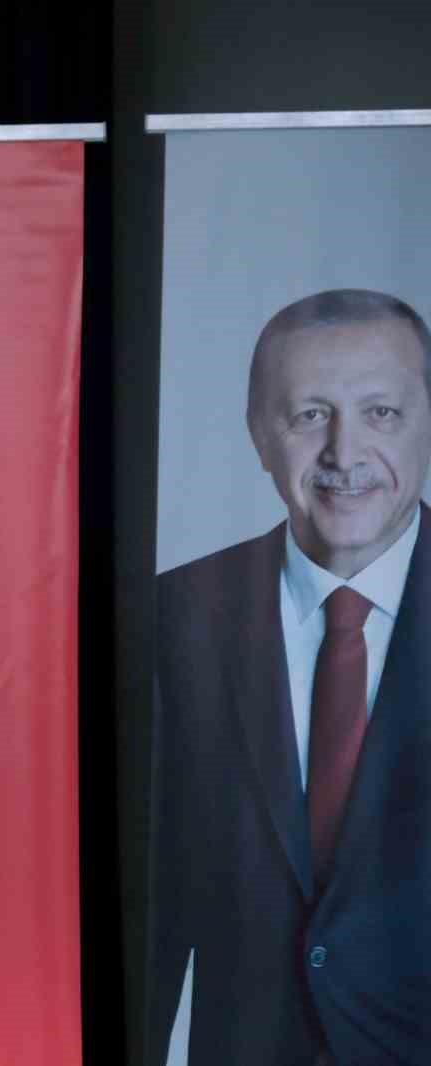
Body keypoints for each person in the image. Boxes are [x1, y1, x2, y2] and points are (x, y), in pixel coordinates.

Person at [151, 288, 431, 1065]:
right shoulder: (172, 619)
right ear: (258, 434)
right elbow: (150, 909)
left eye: (381, 413)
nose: (344, 452)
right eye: (310, 415)